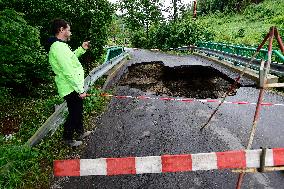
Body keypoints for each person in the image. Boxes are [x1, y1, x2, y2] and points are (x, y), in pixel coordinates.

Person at [47, 19, 91, 147]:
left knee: (78, 109)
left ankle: (80, 132)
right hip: (70, 87)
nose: (70, 32)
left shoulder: (61, 45)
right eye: (69, 29)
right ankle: (67, 138)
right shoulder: (58, 47)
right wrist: (80, 90)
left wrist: (82, 49)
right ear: (61, 30)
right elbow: (68, 71)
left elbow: (71, 58)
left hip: (72, 86)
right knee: (74, 113)